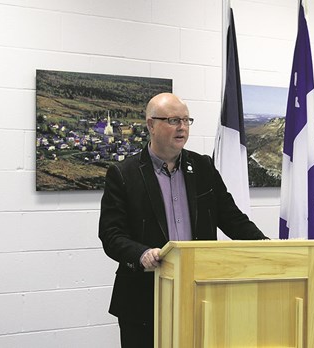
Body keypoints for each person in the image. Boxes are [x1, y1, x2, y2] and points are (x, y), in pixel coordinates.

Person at [98, 92, 268, 347]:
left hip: (200, 294)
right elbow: (111, 235)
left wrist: (265, 244)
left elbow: (232, 218)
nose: (182, 127)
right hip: (144, 300)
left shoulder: (203, 168)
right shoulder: (123, 174)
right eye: (173, 120)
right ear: (151, 125)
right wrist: (141, 253)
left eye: (186, 120)